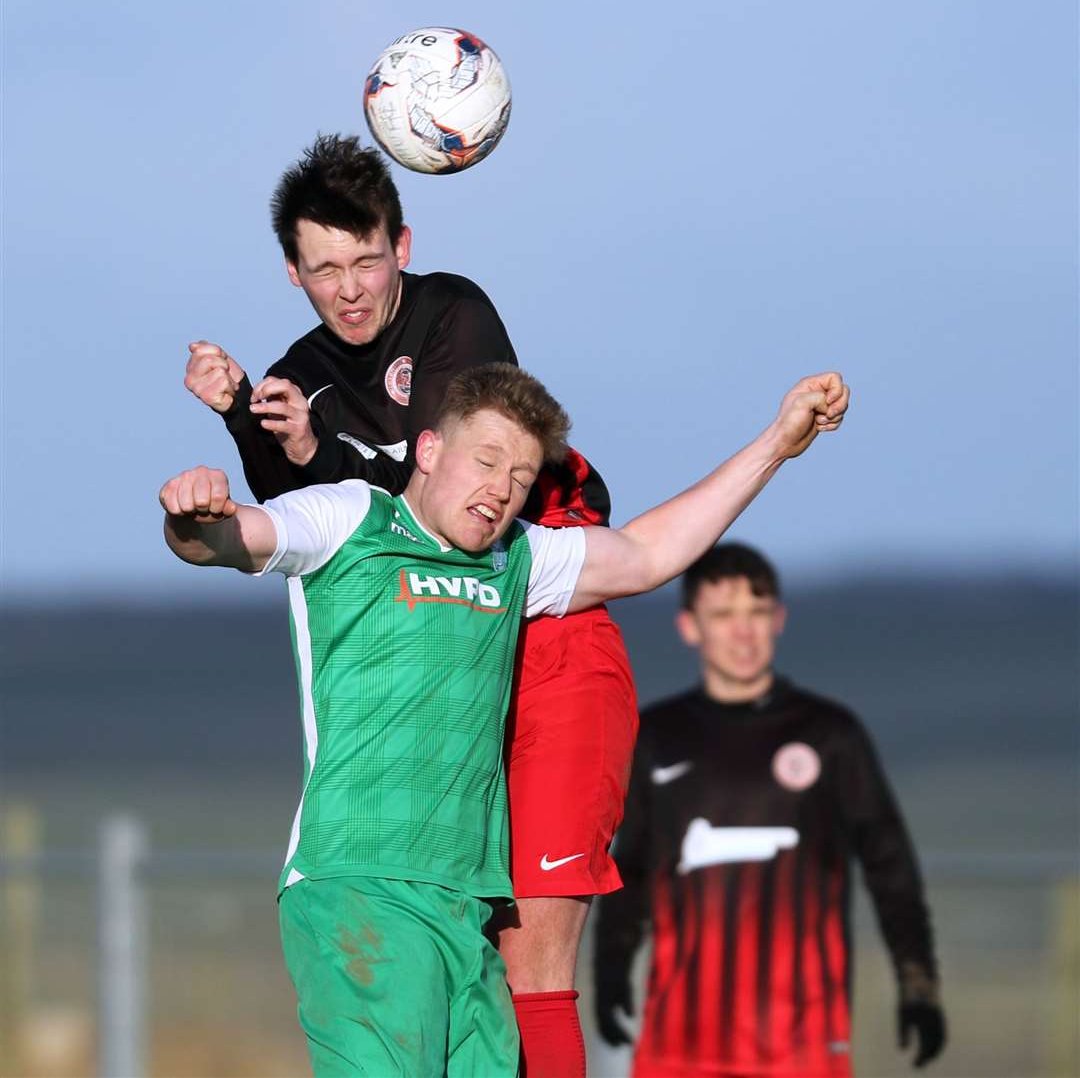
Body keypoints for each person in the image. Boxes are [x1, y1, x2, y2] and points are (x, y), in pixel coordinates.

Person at [160, 363, 849, 1077]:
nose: (500, 489)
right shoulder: (349, 519)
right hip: (360, 889)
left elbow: (647, 554)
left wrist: (776, 443)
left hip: (467, 908)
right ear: (428, 450)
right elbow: (232, 538)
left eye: (519, 477)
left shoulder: (513, 557)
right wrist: (192, 514)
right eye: (486, 460)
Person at [183, 134, 634, 1074]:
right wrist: (245, 425)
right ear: (294, 272)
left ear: (404, 244)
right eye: (325, 269)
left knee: (534, 954)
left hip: (542, 622)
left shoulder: (450, 314)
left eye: (367, 260)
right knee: (460, 965)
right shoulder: (295, 369)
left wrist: (319, 452)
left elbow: (440, 498)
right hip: (440, 657)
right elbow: (322, 535)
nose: (349, 288)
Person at [593, 542, 946, 1078]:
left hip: (801, 1039)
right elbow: (632, 866)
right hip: (681, 1040)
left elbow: (890, 868)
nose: (743, 631)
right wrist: (610, 967)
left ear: (778, 619)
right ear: (690, 627)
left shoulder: (830, 735)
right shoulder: (657, 737)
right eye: (724, 615)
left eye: (757, 613)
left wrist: (918, 982)